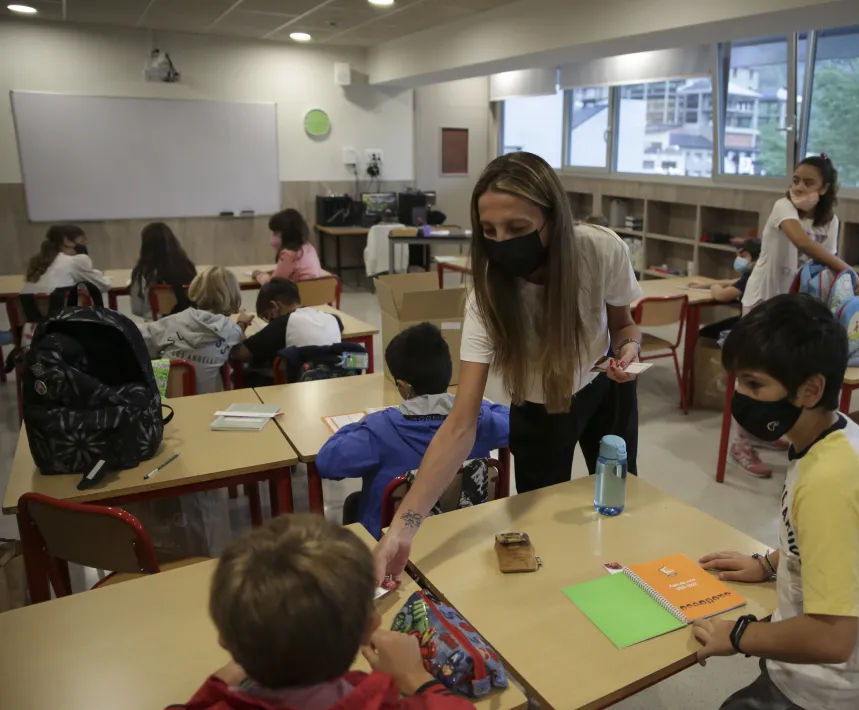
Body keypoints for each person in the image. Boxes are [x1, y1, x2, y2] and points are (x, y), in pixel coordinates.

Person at [372, 152, 643, 587]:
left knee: (617, 499)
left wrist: (629, 348)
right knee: (542, 523)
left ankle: (619, 581)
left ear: (553, 220)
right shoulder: (488, 299)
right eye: (489, 231)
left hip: (605, 387)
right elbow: (460, 425)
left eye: (517, 228)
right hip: (538, 407)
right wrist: (402, 529)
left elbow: (624, 325)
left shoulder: (600, 250)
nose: (502, 242)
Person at [692, 294, 859, 710]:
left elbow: (832, 638)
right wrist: (769, 564)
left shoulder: (830, 483)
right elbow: (823, 544)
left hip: (835, 685)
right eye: (738, 381)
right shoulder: (833, 434)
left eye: (754, 384)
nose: (738, 395)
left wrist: (738, 634)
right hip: (845, 663)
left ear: (810, 390)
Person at [177, 515, 473, 710]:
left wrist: (227, 675)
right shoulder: (376, 699)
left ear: (223, 640)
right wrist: (416, 676)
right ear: (370, 625)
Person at [730, 155, 859, 478]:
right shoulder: (783, 207)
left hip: (792, 307)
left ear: (825, 188)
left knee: (783, 376)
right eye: (796, 180)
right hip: (762, 300)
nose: (799, 187)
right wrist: (850, 271)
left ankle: (769, 427)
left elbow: (823, 263)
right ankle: (739, 443)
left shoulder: (830, 222)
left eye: (809, 182)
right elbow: (802, 242)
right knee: (751, 374)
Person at [317, 323, 509, 538]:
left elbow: (327, 463)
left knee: (354, 502)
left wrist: (362, 423)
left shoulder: (379, 430)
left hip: (393, 542)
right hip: (463, 535)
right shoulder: (478, 420)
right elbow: (511, 421)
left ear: (403, 386)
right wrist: (473, 404)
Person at [140, 266, 252, 393]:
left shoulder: (172, 321)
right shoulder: (231, 331)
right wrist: (242, 322)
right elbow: (239, 338)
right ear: (233, 294)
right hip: (208, 400)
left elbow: (142, 342)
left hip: (166, 400)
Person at [233, 277, 342, 383]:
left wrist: (241, 324)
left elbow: (239, 353)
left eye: (268, 317)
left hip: (298, 388)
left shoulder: (283, 323)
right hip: (336, 381)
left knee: (246, 372)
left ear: (274, 306)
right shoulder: (333, 319)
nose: (270, 323)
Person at [690, 238, 761, 340]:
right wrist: (706, 285)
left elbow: (722, 296)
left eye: (743, 256)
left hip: (748, 326)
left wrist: (714, 287)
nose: (739, 259)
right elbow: (732, 282)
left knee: (703, 334)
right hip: (757, 322)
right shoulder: (758, 274)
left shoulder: (751, 276)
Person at [129, 222, 198, 320]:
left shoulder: (142, 273)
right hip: (186, 323)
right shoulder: (188, 267)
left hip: (156, 325)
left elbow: (136, 309)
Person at [21, 224, 110, 296]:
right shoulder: (75, 261)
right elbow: (102, 286)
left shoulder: (38, 263)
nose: (86, 244)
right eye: (82, 241)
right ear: (67, 241)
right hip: (61, 312)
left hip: (31, 313)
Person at [253, 208, 324, 285]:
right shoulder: (309, 247)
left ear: (288, 233)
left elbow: (272, 285)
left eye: (275, 233)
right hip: (316, 292)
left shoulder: (289, 254)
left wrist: (260, 275)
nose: (273, 237)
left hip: (299, 292)